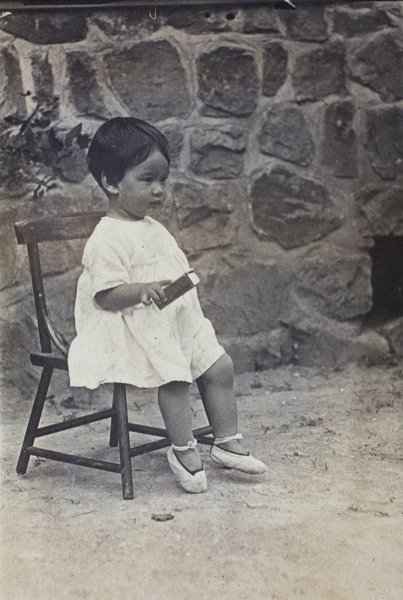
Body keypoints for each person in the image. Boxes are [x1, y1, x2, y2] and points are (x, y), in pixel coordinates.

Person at [68, 117, 267, 493]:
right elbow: (105, 295)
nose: (159, 191)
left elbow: (169, 271)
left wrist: (179, 285)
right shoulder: (106, 237)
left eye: (163, 179)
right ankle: (182, 449)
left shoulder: (152, 227)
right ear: (111, 182)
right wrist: (141, 289)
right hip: (125, 325)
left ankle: (226, 441)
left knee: (219, 365)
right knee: (175, 376)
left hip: (170, 320)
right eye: (147, 180)